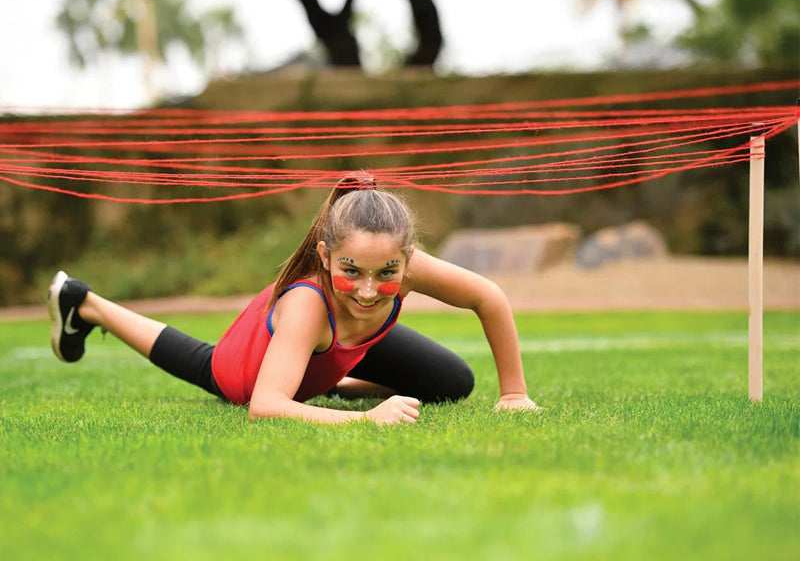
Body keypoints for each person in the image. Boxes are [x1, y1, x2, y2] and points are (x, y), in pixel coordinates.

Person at [48, 171, 541, 426]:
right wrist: (366, 421)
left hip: (346, 343)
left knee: (453, 382)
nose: (369, 290)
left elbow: (489, 298)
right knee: (206, 365)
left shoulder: (403, 269)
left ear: (407, 258)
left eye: (387, 272)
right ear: (325, 256)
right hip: (254, 365)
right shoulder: (308, 302)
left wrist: (514, 394)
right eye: (352, 271)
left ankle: (334, 381)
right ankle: (86, 303)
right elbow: (265, 406)